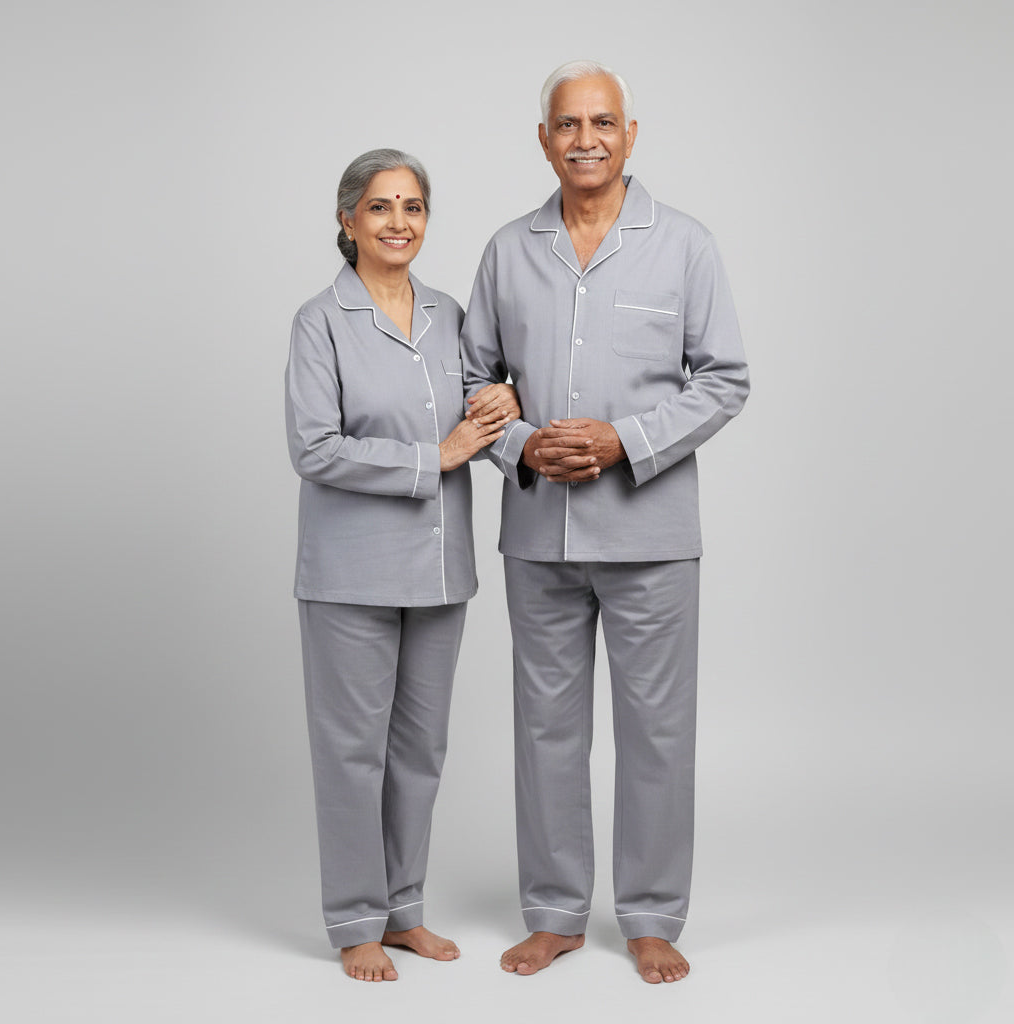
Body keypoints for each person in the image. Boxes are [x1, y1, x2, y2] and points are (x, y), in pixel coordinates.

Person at [461, 61, 750, 983]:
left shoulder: (687, 246)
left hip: (650, 534)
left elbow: (726, 378)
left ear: (631, 134)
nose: (585, 137)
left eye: (603, 122)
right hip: (539, 534)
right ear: (542, 139)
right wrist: (521, 449)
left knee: (657, 729)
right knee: (545, 727)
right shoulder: (508, 250)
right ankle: (552, 912)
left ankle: (654, 916)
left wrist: (626, 441)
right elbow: (474, 382)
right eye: (567, 123)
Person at [285, 149, 519, 983]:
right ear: (347, 221)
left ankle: (403, 911)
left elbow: (481, 409)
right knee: (353, 750)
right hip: (350, 573)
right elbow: (314, 448)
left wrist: (504, 410)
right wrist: (438, 455)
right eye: (379, 208)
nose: (398, 223)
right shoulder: (321, 320)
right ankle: (354, 920)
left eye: (413, 207)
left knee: (420, 749)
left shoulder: (452, 314)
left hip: (439, 570)